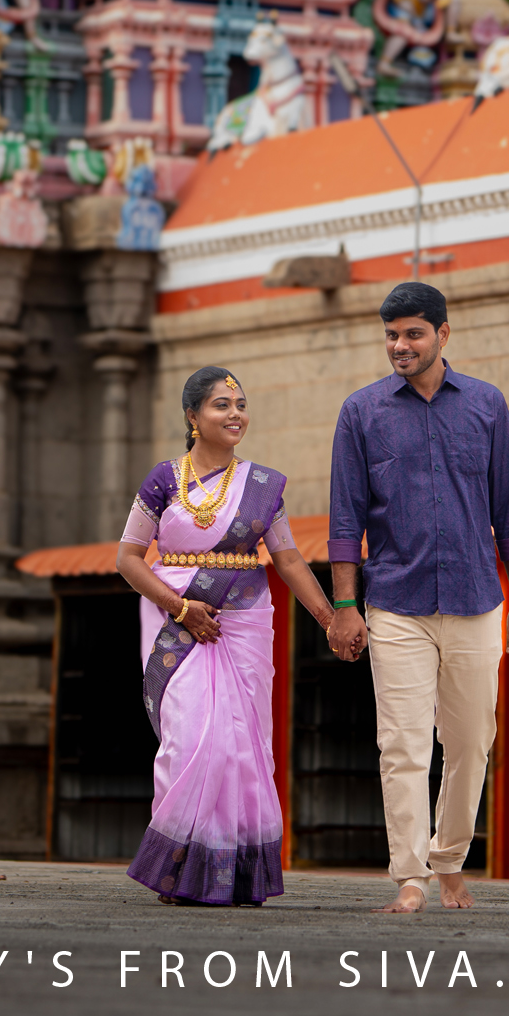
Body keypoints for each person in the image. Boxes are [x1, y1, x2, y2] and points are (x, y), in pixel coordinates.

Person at [326, 283, 509, 914]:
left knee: (472, 741)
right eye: (391, 335)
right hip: (396, 600)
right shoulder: (361, 412)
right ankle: (411, 877)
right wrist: (345, 607)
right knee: (403, 743)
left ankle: (449, 859)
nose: (400, 345)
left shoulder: (487, 405)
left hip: (477, 598)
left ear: (443, 334)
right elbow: (345, 520)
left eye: (413, 333)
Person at [115, 365, 352, 905]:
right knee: (189, 741)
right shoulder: (163, 480)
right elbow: (128, 559)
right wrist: (180, 608)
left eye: (240, 405)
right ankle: (177, 871)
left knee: (240, 747)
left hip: (240, 625)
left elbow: (288, 559)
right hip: (177, 625)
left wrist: (330, 617)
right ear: (193, 416)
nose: (235, 414)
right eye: (222, 405)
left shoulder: (262, 487)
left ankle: (236, 875)